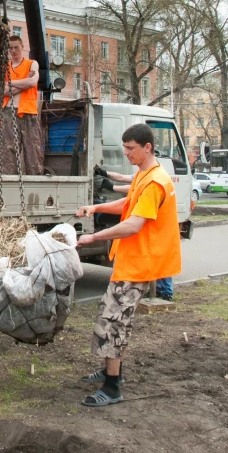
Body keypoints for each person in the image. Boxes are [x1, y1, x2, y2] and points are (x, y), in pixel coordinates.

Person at [75, 123, 181, 407]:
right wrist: (96, 208)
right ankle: (113, 373)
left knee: (113, 324)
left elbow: (133, 224)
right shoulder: (146, 175)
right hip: (131, 263)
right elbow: (128, 203)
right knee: (110, 319)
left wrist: (93, 237)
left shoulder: (156, 182)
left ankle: (112, 388)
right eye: (124, 147)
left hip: (138, 266)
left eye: (131, 148)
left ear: (148, 147)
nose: (126, 153)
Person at [96, 165, 174, 301]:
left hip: (157, 230)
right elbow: (122, 177)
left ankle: (166, 292)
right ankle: (160, 290)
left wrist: (113, 188)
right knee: (158, 258)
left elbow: (135, 189)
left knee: (160, 258)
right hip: (154, 228)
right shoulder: (143, 174)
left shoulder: (154, 180)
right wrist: (105, 173)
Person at [0, 35, 44, 175]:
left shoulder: (32, 64)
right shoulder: (5, 67)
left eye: (16, 47)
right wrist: (25, 82)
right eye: (10, 48)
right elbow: (1, 91)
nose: (13, 50)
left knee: (33, 151)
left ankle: (36, 184)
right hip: (8, 112)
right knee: (8, 152)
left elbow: (32, 83)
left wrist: (9, 85)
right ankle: (8, 184)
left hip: (28, 111)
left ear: (22, 47)